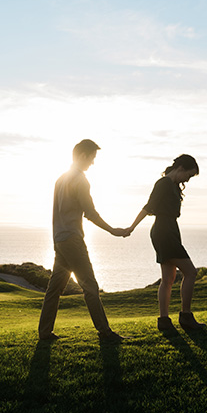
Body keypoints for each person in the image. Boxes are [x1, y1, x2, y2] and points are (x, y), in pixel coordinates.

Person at [38, 139, 129, 342]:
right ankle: (105, 332)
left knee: (54, 289)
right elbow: (90, 213)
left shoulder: (60, 179)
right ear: (82, 156)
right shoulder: (80, 180)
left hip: (59, 240)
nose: (93, 163)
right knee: (90, 286)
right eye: (92, 158)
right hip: (72, 240)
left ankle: (44, 332)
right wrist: (113, 230)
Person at [125, 154, 207, 331]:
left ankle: (164, 321)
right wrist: (131, 227)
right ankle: (185, 316)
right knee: (191, 272)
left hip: (169, 229)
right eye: (189, 175)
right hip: (164, 230)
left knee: (168, 278)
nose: (188, 179)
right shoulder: (163, 184)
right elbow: (148, 207)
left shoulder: (173, 186)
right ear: (181, 168)